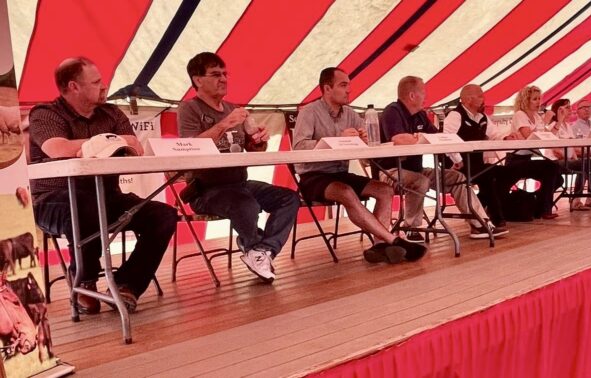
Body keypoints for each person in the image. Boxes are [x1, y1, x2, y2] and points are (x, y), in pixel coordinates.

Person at [29, 57, 177, 314]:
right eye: (96, 82)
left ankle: (126, 284)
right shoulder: (45, 113)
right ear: (74, 87)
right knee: (84, 204)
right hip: (53, 199)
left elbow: (135, 146)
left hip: (107, 195)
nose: (104, 86)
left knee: (163, 215)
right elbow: (57, 148)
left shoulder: (112, 112)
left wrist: (90, 147)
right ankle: (83, 280)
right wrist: (109, 143)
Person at [178, 52, 300, 284]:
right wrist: (225, 123)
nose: (224, 79)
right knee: (245, 204)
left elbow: (253, 150)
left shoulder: (233, 108)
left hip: (239, 184)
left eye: (225, 74)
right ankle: (253, 246)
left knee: (289, 198)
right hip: (206, 189)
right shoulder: (189, 109)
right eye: (216, 74)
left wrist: (259, 142)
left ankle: (261, 250)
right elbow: (190, 148)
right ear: (197, 80)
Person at [292, 67, 425, 263]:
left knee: (385, 190)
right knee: (346, 192)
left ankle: (380, 246)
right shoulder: (309, 112)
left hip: (340, 173)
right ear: (327, 88)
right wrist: (337, 138)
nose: (349, 90)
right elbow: (298, 147)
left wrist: (364, 139)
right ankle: (393, 240)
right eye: (343, 85)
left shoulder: (350, 114)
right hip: (313, 176)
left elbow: (368, 145)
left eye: (349, 85)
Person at [378, 77, 507, 240]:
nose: (426, 97)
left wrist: (454, 159)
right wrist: (421, 137)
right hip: (390, 171)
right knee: (420, 181)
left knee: (457, 177)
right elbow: (399, 139)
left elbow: (438, 137)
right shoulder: (392, 111)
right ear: (412, 96)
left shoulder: (420, 115)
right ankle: (411, 227)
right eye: (423, 92)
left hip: (417, 170)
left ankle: (480, 224)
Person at [460, 84, 561, 220]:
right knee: (550, 168)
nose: (538, 102)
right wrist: (545, 121)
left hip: (528, 157)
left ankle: (538, 206)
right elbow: (529, 137)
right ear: (526, 100)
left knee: (556, 174)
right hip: (515, 158)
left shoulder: (537, 117)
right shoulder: (520, 115)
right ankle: (539, 208)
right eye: (534, 99)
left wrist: (558, 122)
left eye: (539, 99)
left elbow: (547, 137)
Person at [546, 98, 591, 208]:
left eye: (570, 107)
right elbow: (554, 150)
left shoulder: (568, 126)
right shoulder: (554, 126)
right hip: (556, 161)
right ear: (559, 110)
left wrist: (576, 158)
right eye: (567, 107)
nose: (570, 110)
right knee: (586, 164)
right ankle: (577, 199)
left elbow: (572, 146)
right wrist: (570, 158)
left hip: (569, 160)